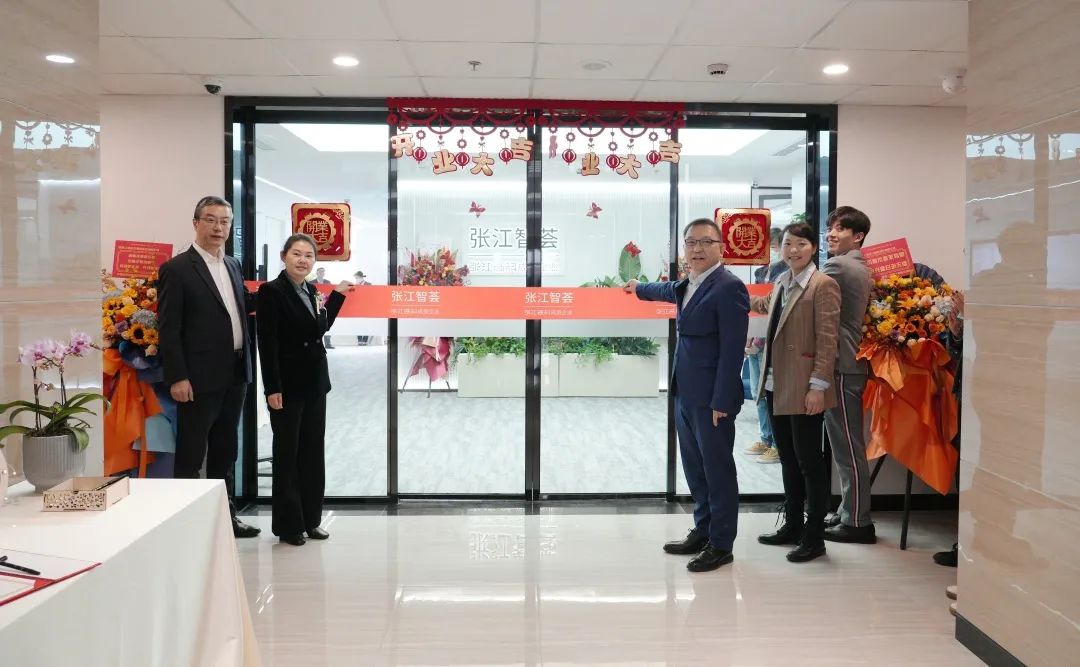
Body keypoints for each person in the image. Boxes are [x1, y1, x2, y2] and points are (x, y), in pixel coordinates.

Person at [624, 218, 750, 572]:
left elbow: (733, 350)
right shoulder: (689, 283)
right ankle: (703, 529)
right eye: (691, 242)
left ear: (720, 247)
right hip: (685, 392)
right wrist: (637, 287)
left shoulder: (729, 287)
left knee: (717, 470)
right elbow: (665, 290)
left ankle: (721, 544)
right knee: (695, 467)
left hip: (712, 399)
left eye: (705, 242)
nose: (697, 249)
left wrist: (722, 401)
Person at [158, 196, 260, 538]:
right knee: (191, 453)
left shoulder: (232, 264)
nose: (219, 228)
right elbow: (169, 329)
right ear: (196, 223)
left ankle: (225, 521)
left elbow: (240, 308)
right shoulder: (177, 269)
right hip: (198, 378)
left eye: (225, 221)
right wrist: (177, 377)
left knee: (225, 451)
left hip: (235, 373)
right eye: (211, 220)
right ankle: (184, 527)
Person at [753, 222, 841, 563]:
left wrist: (818, 386)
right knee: (788, 460)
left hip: (805, 387)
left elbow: (828, 340)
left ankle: (814, 536)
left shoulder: (823, 284)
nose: (793, 250)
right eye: (788, 244)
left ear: (813, 248)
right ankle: (791, 525)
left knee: (809, 464)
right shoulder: (782, 281)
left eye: (801, 244)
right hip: (776, 384)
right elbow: (767, 307)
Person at [256, 234, 350, 546]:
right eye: (296, 254)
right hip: (287, 386)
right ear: (284, 256)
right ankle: (289, 525)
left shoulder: (311, 290)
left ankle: (311, 520)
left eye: (309, 256)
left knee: (312, 452)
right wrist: (272, 387)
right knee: (287, 453)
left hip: (315, 383)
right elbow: (267, 343)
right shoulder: (271, 292)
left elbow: (319, 327)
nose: (303, 260)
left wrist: (336, 296)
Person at [820, 206, 877, 544]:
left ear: (858, 237)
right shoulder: (862, 265)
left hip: (842, 365)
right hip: (853, 364)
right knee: (847, 445)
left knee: (847, 448)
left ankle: (858, 522)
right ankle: (848, 512)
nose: (831, 233)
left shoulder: (839, 266)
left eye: (840, 228)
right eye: (831, 227)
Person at [746, 227, 787, 464]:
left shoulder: (784, 274)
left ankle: (777, 444)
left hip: (770, 342)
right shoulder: (761, 272)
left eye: (773, 246)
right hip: (755, 341)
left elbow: (774, 311)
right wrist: (749, 338)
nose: (769, 251)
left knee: (769, 393)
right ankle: (766, 438)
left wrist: (758, 341)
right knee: (757, 394)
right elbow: (756, 309)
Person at [313, 268, 334, 349]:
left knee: (327, 323)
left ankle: (328, 343)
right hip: (315, 306)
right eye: (320, 272)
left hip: (325, 306)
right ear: (317, 273)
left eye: (323, 272)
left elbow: (330, 292)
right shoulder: (311, 282)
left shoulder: (328, 282)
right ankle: (316, 343)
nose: (321, 273)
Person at [354, 270, 371, 345]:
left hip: (367, 307)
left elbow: (371, 295)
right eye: (355, 278)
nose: (356, 279)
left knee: (367, 323)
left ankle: (365, 340)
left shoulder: (368, 284)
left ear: (361, 277)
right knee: (358, 323)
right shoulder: (355, 285)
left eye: (357, 278)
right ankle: (359, 339)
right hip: (357, 307)